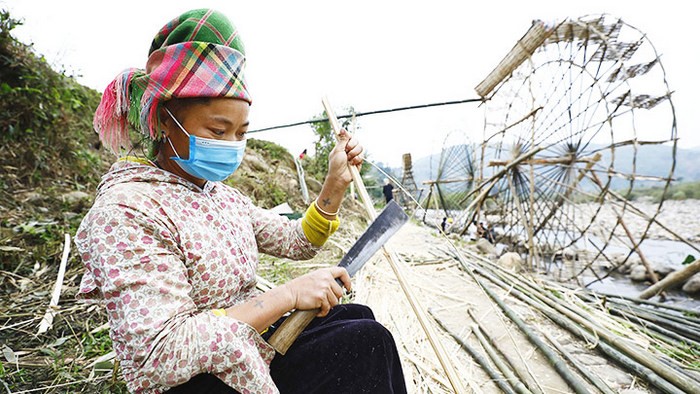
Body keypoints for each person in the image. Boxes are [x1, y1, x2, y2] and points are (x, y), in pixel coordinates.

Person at [75, 9, 406, 394]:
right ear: (165, 120)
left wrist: (334, 183)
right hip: (197, 380)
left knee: (357, 320)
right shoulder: (127, 211)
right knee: (365, 344)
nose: (231, 145)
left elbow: (296, 241)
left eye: (241, 132)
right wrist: (287, 296)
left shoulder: (220, 197)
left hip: (247, 349)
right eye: (218, 130)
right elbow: (160, 353)